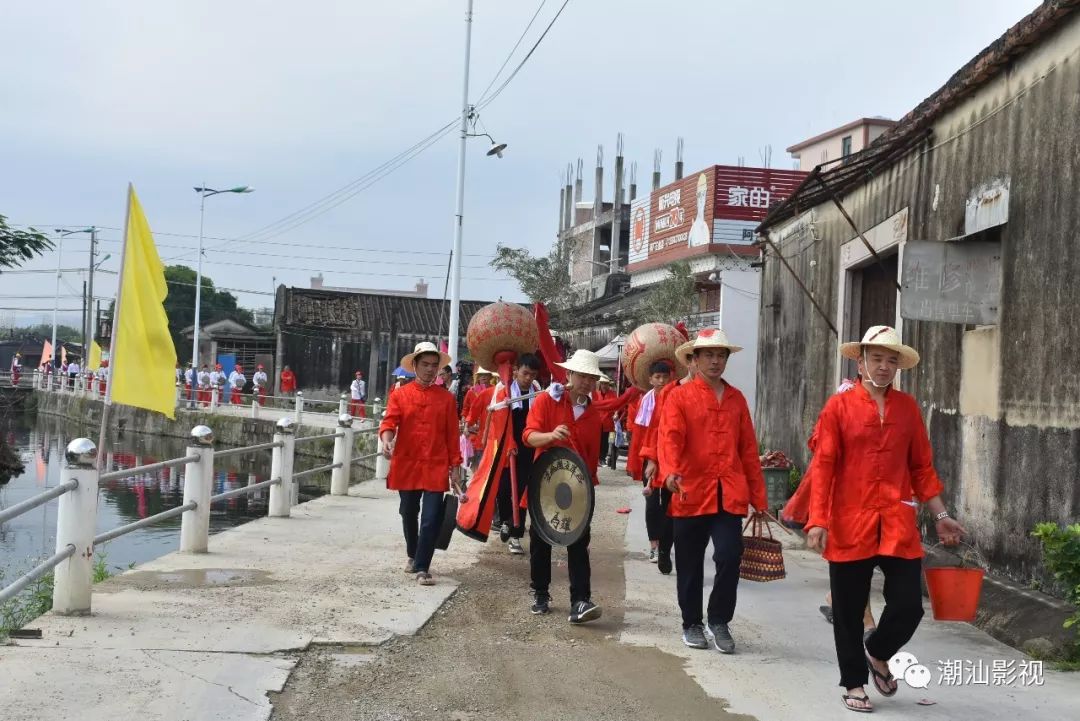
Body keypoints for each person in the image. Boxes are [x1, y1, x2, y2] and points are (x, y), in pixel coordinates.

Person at [805, 326, 966, 713]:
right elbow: (824, 466)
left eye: (890, 360)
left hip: (896, 522)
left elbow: (922, 468)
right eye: (876, 358)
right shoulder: (838, 408)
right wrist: (818, 520)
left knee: (909, 605)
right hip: (849, 521)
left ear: (898, 366)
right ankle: (854, 684)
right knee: (847, 610)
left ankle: (877, 651)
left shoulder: (908, 408)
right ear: (860, 362)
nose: (883, 366)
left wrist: (941, 515)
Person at [658, 328, 767, 654]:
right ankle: (691, 622)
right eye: (709, 355)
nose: (716, 361)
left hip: (729, 492)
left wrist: (759, 497)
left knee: (730, 554)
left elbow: (748, 449)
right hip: (690, 490)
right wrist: (671, 471)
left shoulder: (736, 399)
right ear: (695, 359)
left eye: (721, 355)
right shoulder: (679, 397)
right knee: (689, 563)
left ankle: (718, 619)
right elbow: (670, 438)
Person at [522, 349, 607, 624]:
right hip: (545, 483)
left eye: (591, 377)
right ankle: (541, 592)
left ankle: (580, 600)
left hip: (577, 488)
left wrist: (588, 490)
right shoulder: (547, 401)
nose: (586, 382)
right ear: (569, 374)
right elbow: (528, 436)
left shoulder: (594, 415)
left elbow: (592, 459)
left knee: (579, 543)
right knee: (540, 540)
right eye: (581, 375)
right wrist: (551, 435)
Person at [379, 341, 461, 587]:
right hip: (407, 462)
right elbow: (389, 423)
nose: (429, 370)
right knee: (408, 512)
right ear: (414, 365)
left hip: (436, 463)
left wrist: (455, 466)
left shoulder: (446, 399)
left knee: (431, 516)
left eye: (434, 366)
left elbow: (452, 435)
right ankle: (413, 555)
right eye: (425, 364)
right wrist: (386, 441)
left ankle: (423, 567)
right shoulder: (400, 395)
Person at [490, 353, 542, 555]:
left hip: (529, 448)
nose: (528, 378)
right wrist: (509, 442)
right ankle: (504, 520)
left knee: (521, 492)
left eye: (532, 374)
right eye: (525, 373)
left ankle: (516, 535)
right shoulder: (503, 391)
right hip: (506, 448)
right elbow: (497, 421)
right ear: (515, 371)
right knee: (503, 490)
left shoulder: (537, 392)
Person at [636, 360, 676, 569]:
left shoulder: (675, 397)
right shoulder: (646, 401)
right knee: (652, 505)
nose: (661, 381)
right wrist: (648, 458)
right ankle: (654, 544)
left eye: (665, 377)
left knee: (670, 504)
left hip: (670, 458)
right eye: (657, 377)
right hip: (650, 456)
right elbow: (643, 432)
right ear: (650, 379)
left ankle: (665, 548)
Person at [592, 377, 617, 471]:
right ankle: (596, 458)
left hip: (607, 421)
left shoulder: (613, 394)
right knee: (596, 440)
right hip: (597, 421)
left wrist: (616, 414)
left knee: (605, 441)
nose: (604, 386)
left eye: (606, 384)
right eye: (603, 383)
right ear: (600, 384)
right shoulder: (596, 394)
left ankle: (602, 458)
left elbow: (616, 406)